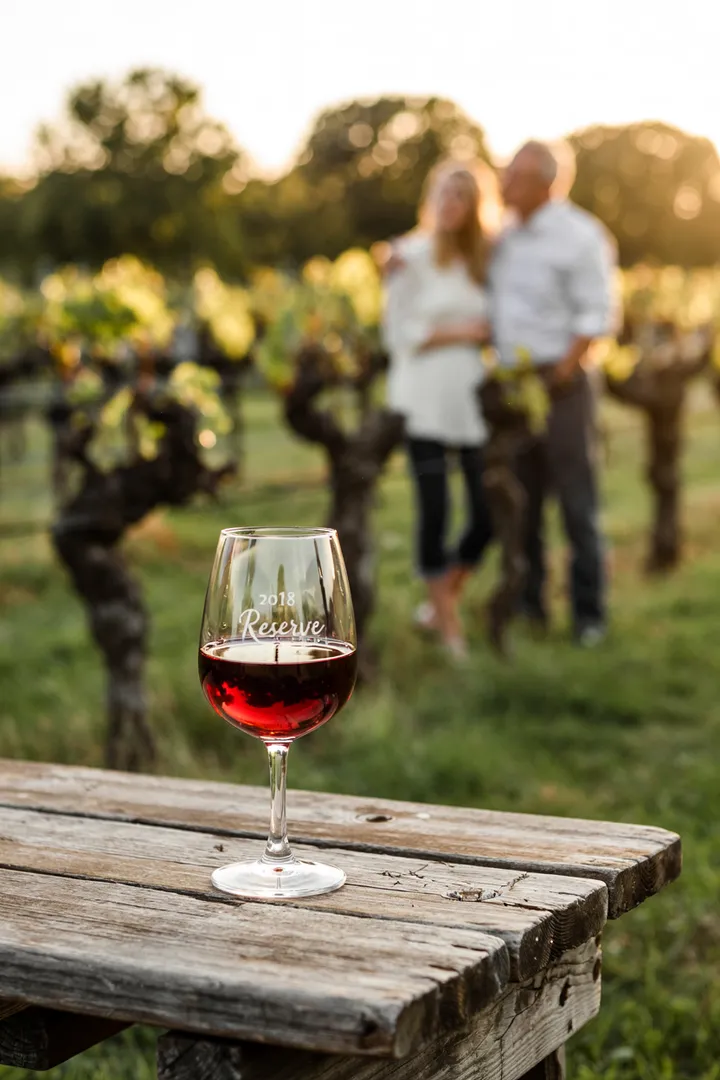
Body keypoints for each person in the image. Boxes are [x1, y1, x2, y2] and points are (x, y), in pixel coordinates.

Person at [490, 140, 617, 645]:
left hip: (561, 385)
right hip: (513, 388)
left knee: (577, 503)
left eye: (513, 176)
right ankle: (529, 604)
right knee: (523, 502)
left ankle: (589, 615)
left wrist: (557, 375)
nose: (502, 184)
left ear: (546, 183)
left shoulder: (580, 235)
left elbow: (596, 316)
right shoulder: (503, 236)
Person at [382, 161, 497, 657]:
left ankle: (441, 600)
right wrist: (460, 333)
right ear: (431, 198)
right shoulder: (407, 256)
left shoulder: (485, 259)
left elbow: (495, 324)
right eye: (444, 194)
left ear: (474, 205)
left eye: (462, 196)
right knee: (435, 509)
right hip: (421, 396)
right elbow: (397, 333)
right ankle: (450, 629)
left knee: (486, 513)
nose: (450, 204)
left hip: (470, 397)